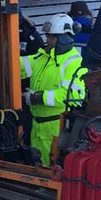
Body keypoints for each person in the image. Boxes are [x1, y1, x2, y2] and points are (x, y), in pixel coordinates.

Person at [20, 13, 87, 166]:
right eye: (48, 36)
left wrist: (37, 97)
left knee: (51, 171)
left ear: (64, 38)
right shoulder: (44, 56)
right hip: (38, 127)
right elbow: (18, 65)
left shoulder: (74, 63)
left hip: (55, 129)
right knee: (37, 170)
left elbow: (72, 94)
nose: (48, 40)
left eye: (52, 37)